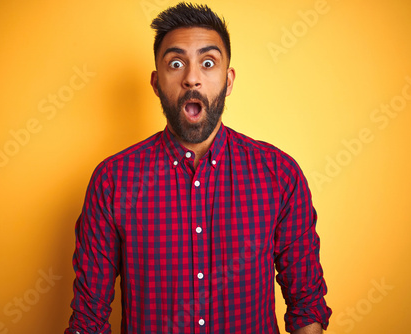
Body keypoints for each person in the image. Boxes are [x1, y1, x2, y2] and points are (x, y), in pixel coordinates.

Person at [65, 3, 331, 333]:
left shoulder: (279, 174)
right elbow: (89, 317)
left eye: (208, 63)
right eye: (176, 63)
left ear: (228, 80)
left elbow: (306, 304)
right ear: (156, 82)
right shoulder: (113, 181)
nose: (192, 78)